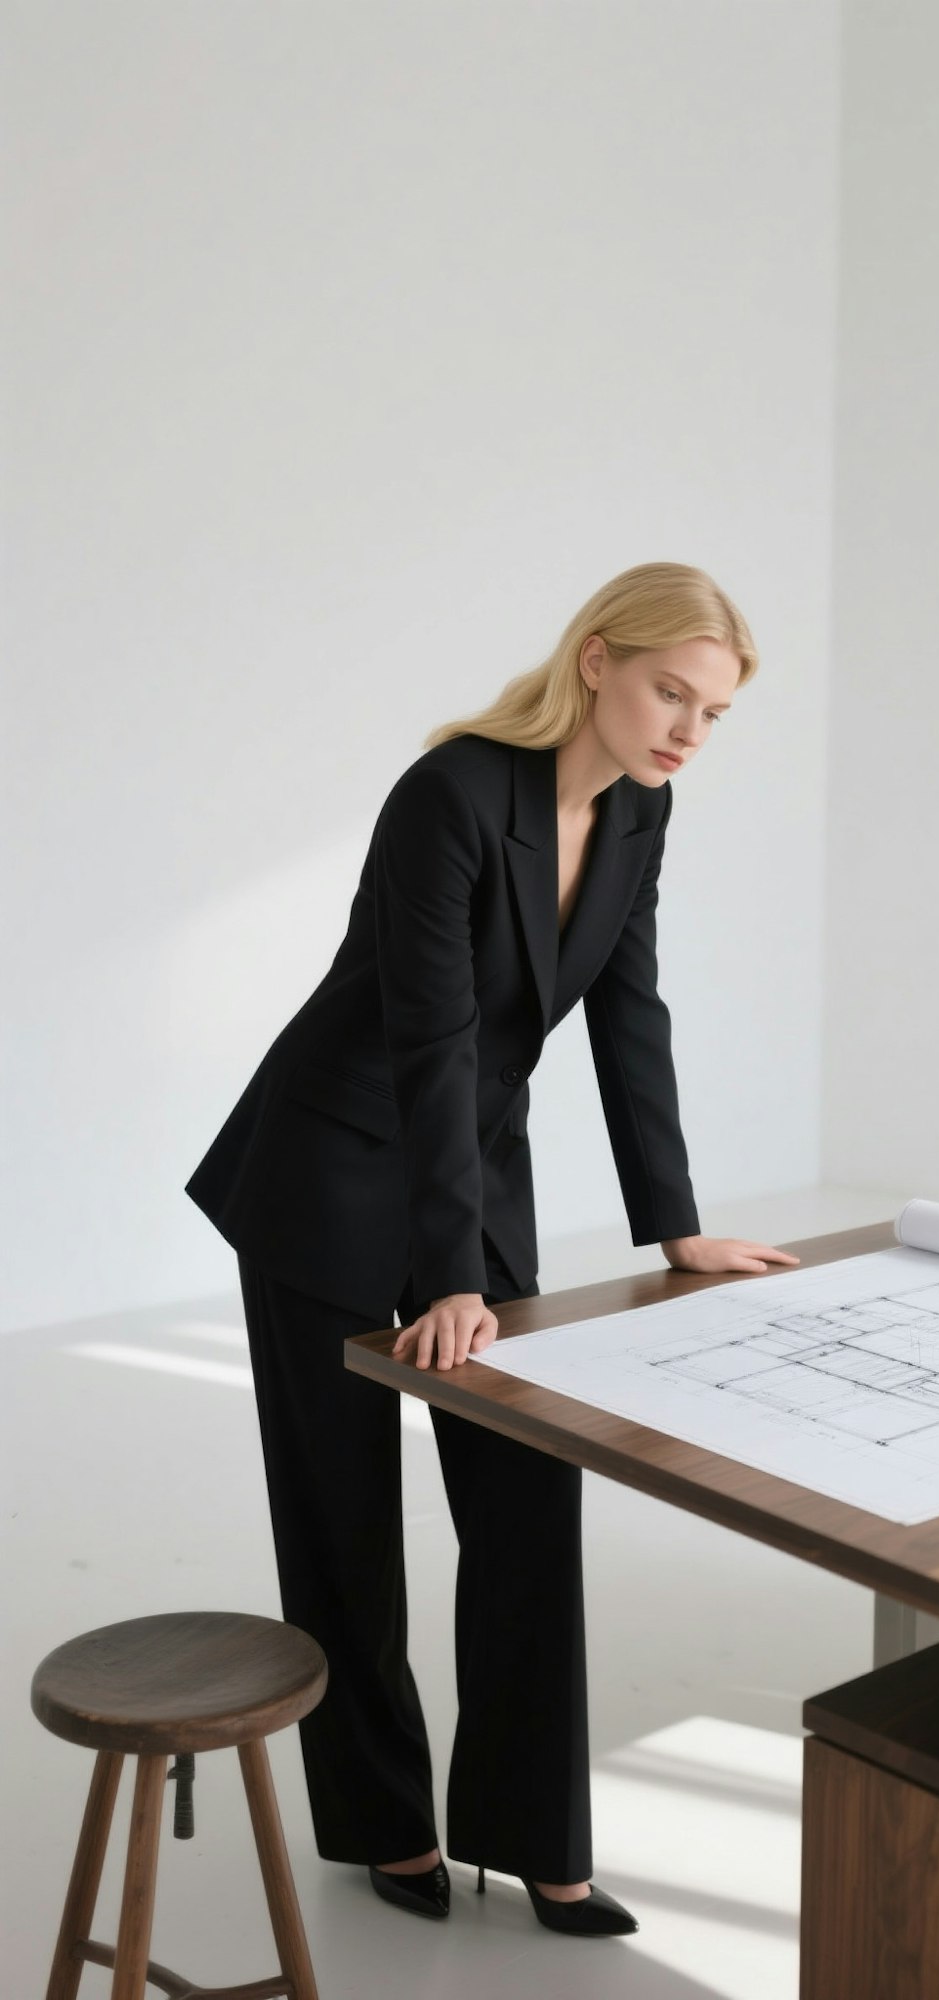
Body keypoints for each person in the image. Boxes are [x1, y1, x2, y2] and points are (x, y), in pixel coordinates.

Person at [185, 560, 798, 1937]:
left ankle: (538, 1844)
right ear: (598, 659)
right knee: (342, 1521)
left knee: (526, 1495)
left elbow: (631, 1012)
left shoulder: (641, 809)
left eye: (713, 712)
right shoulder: (451, 795)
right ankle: (384, 1826)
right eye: (671, 692)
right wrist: (452, 1277)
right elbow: (432, 1033)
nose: (689, 731)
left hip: (470, 1164)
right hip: (330, 1166)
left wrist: (676, 1222)